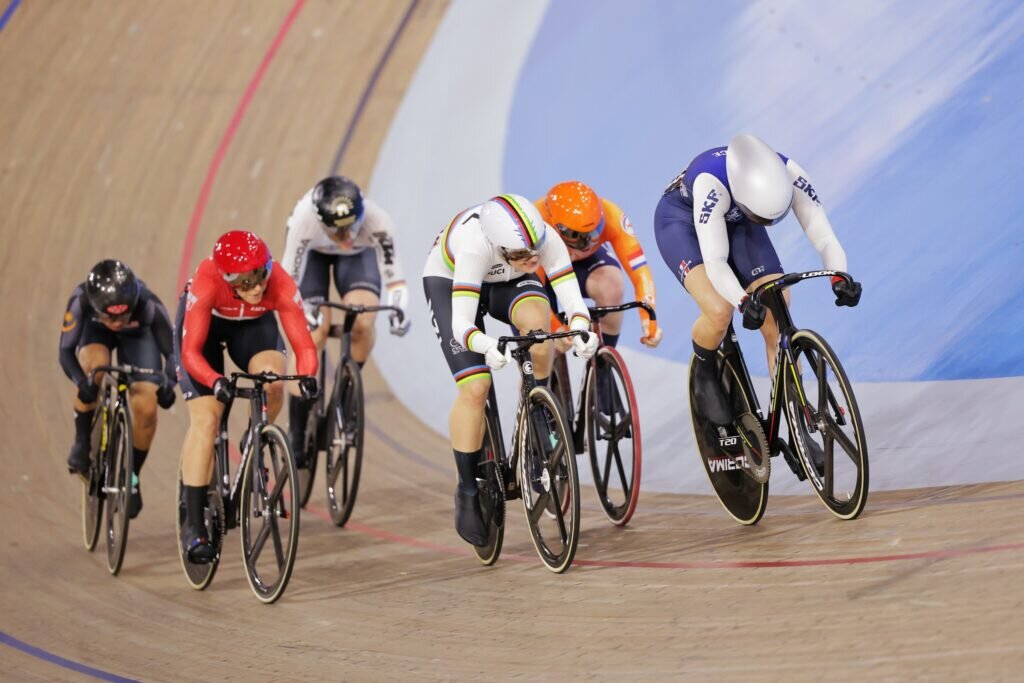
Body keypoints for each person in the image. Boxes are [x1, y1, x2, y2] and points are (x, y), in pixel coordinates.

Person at [654, 133, 862, 473]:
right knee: (719, 310)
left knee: (777, 308)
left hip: (738, 220)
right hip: (682, 223)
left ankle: (795, 420)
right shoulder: (711, 184)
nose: (770, 224)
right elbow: (717, 263)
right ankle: (706, 371)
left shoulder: (790, 173)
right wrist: (740, 301)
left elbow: (823, 234)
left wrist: (840, 276)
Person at [422, 194, 598, 546]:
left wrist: (582, 328)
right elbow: (462, 324)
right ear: (499, 247)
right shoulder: (475, 247)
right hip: (450, 281)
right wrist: (485, 345)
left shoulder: (540, 240)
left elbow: (572, 301)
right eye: (523, 255)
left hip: (508, 281)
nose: (534, 259)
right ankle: (468, 488)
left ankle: (538, 409)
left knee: (538, 333)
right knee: (476, 387)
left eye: (536, 251)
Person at [174, 230, 318, 563]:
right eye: (246, 281)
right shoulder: (206, 283)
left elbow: (305, 347)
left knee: (274, 383)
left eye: (261, 276)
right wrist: (215, 380)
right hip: (205, 332)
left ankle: (255, 439)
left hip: (253, 329)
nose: (257, 287)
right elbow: (192, 353)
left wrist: (307, 378)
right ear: (227, 278)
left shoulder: (279, 283)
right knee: (208, 418)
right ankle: (193, 522)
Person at [280, 175, 410, 463]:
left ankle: (346, 391)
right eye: (338, 232)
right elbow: (288, 281)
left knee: (363, 319)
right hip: (311, 256)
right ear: (321, 222)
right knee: (314, 333)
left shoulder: (378, 222)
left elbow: (395, 279)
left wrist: (399, 312)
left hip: (357, 259)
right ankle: (298, 431)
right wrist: (304, 313)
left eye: (352, 227)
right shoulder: (304, 220)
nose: (347, 237)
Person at [60, 259, 177, 518]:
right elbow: (66, 352)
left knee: (146, 405)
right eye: (110, 315)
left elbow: (174, 355)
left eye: (123, 314)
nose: (117, 321)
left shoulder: (148, 305)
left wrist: (169, 386)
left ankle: (132, 476)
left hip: (138, 337)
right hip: (95, 333)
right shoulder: (81, 300)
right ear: (96, 306)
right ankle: (81, 441)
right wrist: (83, 384)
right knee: (95, 366)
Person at [536, 180, 661, 350]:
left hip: (582, 265)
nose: (588, 241)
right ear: (557, 227)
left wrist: (648, 319)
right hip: (541, 268)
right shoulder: (537, 225)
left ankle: (604, 362)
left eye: (594, 232)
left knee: (612, 286)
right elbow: (535, 293)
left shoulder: (612, 214)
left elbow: (640, 272)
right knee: (542, 350)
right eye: (577, 236)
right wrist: (553, 325)